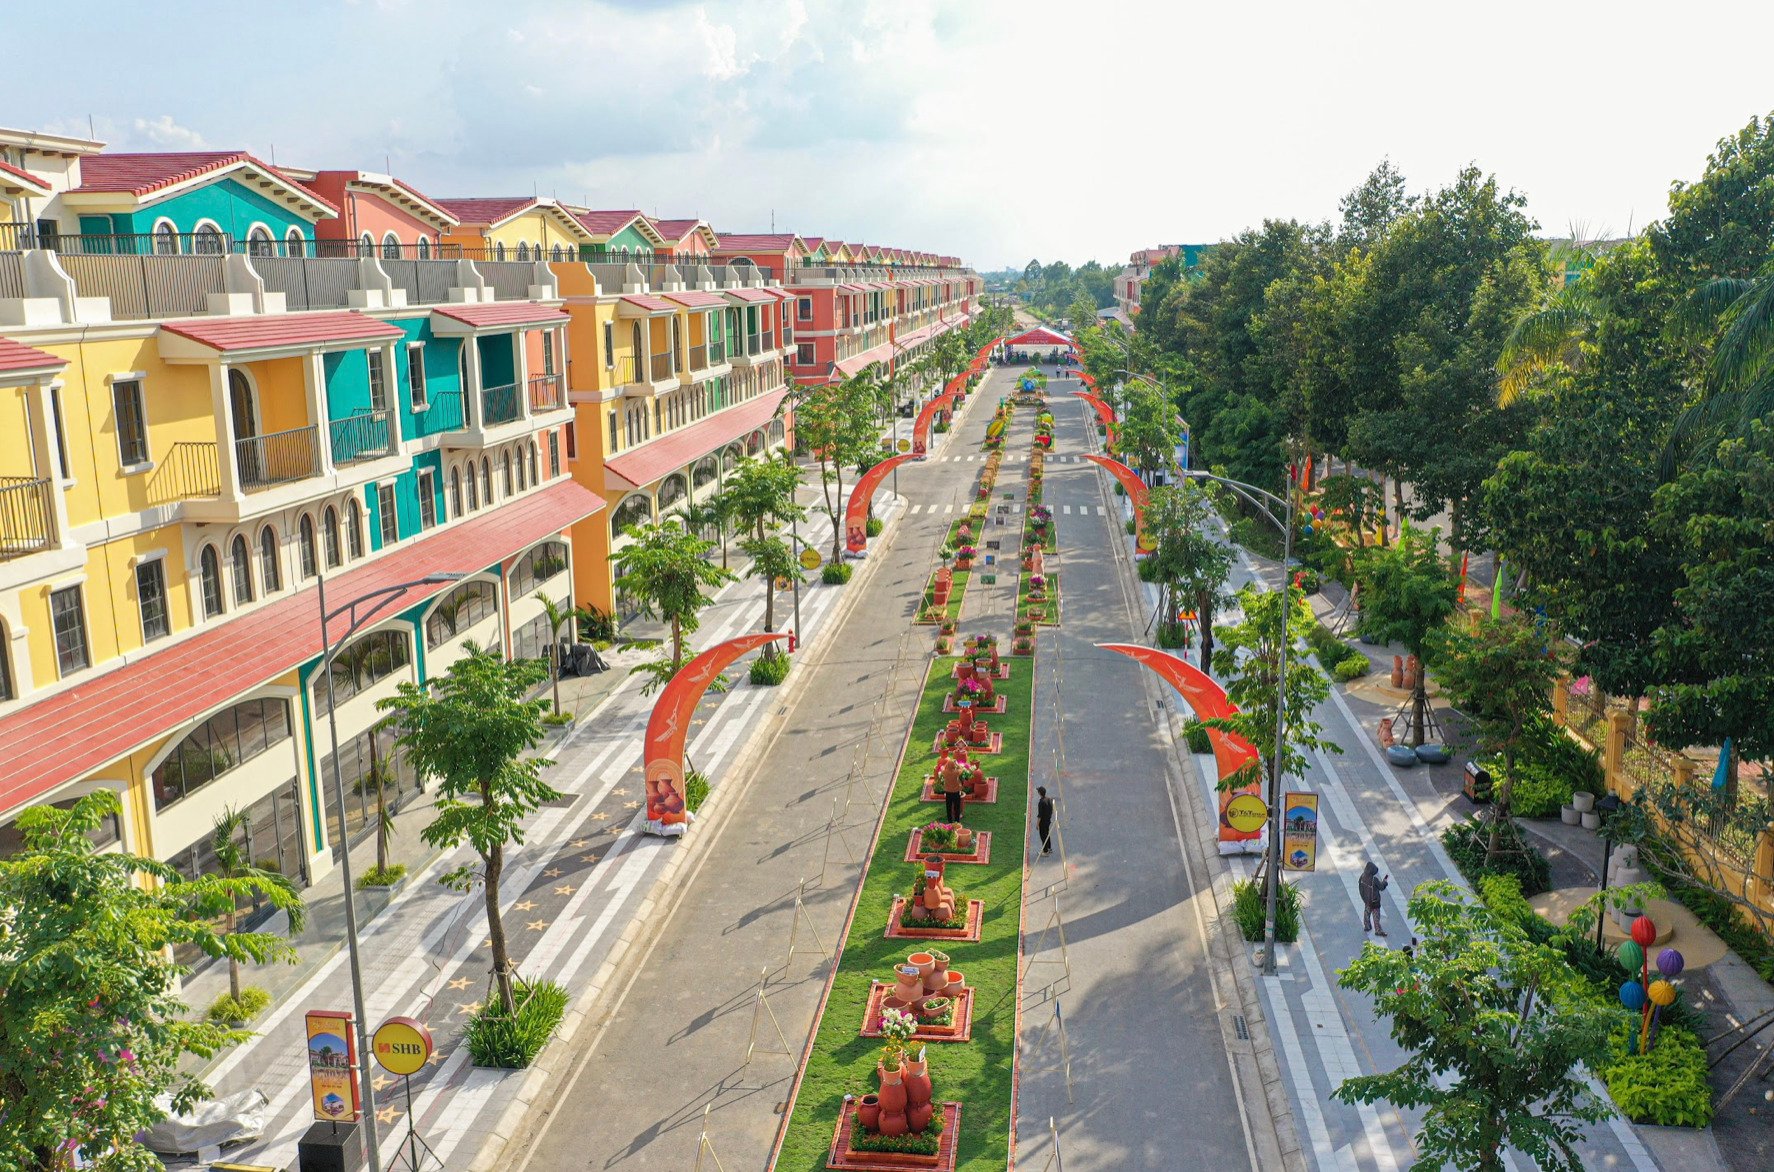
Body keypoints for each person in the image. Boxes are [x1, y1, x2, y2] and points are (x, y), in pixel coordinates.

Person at [1359, 861, 1389, 936]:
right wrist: (1385, 882)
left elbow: (1360, 888)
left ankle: (1367, 926)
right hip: (1375, 901)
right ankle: (1378, 930)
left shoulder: (1362, 876)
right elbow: (1381, 887)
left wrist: (1364, 899)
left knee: (1366, 913)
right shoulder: (1374, 880)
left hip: (1367, 900)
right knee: (1376, 917)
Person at [940, 755, 964, 823]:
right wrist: (956, 764)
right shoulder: (956, 772)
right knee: (957, 807)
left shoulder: (945, 772)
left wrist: (947, 764)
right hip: (956, 792)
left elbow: (942, 768)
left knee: (949, 807)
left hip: (948, 792)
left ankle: (949, 820)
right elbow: (961, 768)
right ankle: (957, 820)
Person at [1036, 786, 1055, 856]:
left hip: (1043, 822)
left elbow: (1039, 815)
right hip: (1048, 821)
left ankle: (1045, 851)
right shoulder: (1049, 799)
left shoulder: (1041, 802)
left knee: (1043, 836)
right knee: (1047, 834)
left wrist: (1037, 824)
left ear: (1039, 793)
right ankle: (1049, 848)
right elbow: (1051, 810)